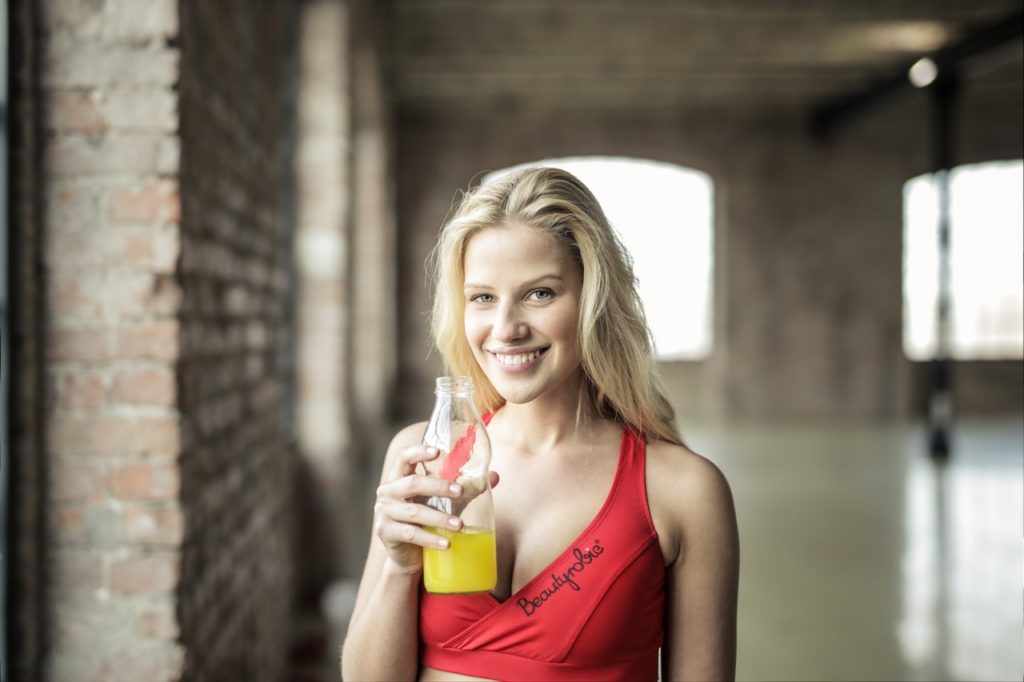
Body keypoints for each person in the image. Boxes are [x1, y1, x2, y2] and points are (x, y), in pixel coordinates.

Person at [341, 167, 739, 681]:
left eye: (540, 294)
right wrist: (399, 567)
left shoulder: (683, 491)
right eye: (482, 297)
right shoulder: (425, 454)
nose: (505, 329)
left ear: (593, 301)